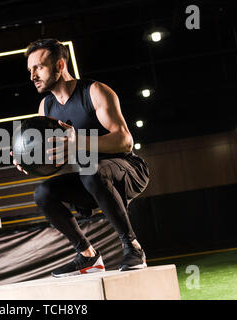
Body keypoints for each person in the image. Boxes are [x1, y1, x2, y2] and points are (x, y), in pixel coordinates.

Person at [12, 38, 150, 277]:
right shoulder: (46, 107)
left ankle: (133, 248)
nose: (33, 75)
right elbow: (56, 157)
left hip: (129, 171)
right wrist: (29, 160)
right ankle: (87, 256)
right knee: (42, 193)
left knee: (90, 170)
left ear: (60, 66)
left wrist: (78, 141)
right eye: (30, 70)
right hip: (89, 178)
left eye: (39, 67)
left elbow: (125, 141)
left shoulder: (94, 91)